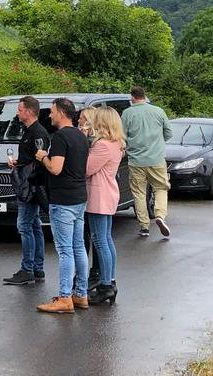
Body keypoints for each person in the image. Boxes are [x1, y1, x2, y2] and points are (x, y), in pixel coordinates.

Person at [34, 97, 91, 314]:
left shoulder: (60, 137)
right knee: (78, 248)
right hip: (79, 197)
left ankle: (65, 297)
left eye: (51, 111)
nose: (49, 115)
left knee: (65, 250)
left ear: (61, 113)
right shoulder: (80, 136)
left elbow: (56, 168)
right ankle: (81, 293)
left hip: (63, 200)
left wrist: (42, 157)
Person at [4, 96, 52, 285]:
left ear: (29, 111)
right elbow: (32, 158)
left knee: (24, 225)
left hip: (31, 186)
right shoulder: (29, 131)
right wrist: (19, 162)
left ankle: (27, 269)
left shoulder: (37, 133)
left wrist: (26, 175)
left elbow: (40, 161)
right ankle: (37, 268)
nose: (18, 113)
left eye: (20, 109)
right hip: (30, 183)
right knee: (34, 225)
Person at [83, 107, 126, 306]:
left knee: (100, 240)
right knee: (106, 239)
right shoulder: (116, 143)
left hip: (99, 196)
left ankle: (106, 285)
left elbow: (87, 169)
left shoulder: (102, 146)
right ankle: (111, 281)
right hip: (108, 193)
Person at [122, 86, 173, 239]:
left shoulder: (127, 113)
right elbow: (169, 133)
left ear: (132, 97)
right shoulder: (158, 111)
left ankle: (144, 226)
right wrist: (156, 142)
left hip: (136, 160)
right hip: (156, 159)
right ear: (145, 96)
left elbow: (122, 136)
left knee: (139, 193)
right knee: (161, 188)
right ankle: (160, 215)